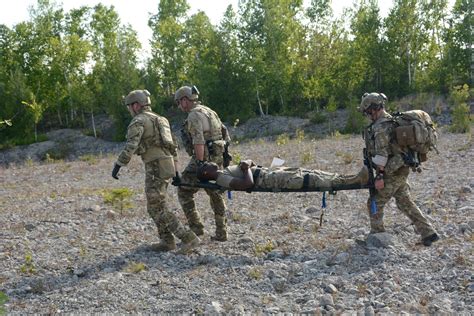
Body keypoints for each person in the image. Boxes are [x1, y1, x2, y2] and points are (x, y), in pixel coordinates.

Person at [111, 89, 200, 253]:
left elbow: (131, 146)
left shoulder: (138, 121)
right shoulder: (161, 119)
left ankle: (189, 238)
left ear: (136, 105)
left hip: (154, 166)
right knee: (157, 205)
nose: (129, 110)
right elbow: (173, 147)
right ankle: (167, 241)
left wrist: (118, 165)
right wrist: (176, 170)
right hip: (166, 165)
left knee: (156, 207)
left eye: (130, 106)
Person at [359, 92, 439, 246]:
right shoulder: (392, 121)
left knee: (375, 201)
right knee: (404, 202)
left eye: (368, 112)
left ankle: (377, 235)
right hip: (401, 168)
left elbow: (382, 154)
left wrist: (380, 176)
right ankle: (429, 233)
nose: (368, 115)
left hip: (392, 171)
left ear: (374, 109)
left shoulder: (381, 126)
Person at [174, 85, 230, 241]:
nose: (179, 106)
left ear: (185, 100)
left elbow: (198, 141)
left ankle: (196, 229)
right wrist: (225, 158)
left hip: (204, 158)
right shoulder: (210, 111)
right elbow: (226, 134)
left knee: (184, 191)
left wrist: (199, 163)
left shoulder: (193, 115)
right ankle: (221, 231)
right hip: (217, 157)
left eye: (179, 102)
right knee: (216, 193)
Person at [196, 160, 369, 191]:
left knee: (313, 172)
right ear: (206, 173)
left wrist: (248, 163)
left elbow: (249, 167)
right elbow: (247, 184)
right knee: (311, 180)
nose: (208, 162)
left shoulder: (224, 171)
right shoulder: (221, 179)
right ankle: (354, 181)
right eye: (205, 165)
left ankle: (350, 177)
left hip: (271, 172)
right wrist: (245, 167)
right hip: (269, 179)